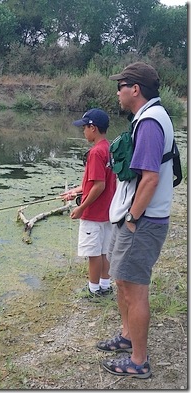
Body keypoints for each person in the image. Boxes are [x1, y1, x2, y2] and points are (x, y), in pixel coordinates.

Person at [97, 62, 175, 379]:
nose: (117, 91)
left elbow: (151, 179)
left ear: (135, 89)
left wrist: (131, 218)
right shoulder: (146, 118)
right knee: (122, 280)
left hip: (142, 222)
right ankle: (127, 336)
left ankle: (139, 362)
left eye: (121, 85)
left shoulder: (151, 123)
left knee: (135, 290)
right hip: (135, 217)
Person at [60, 108, 116, 300]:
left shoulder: (95, 153)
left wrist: (80, 208)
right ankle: (105, 286)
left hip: (93, 213)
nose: (83, 131)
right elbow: (95, 183)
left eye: (84, 127)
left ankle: (93, 291)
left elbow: (98, 186)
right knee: (104, 251)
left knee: (93, 253)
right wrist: (75, 191)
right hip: (108, 212)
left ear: (93, 128)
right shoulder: (109, 149)